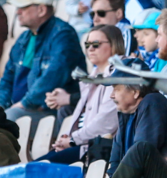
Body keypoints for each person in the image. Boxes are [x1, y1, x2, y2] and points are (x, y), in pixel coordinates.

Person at [0, 0, 85, 136]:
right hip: (19, 108)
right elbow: (7, 78)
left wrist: (23, 104)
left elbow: (53, 77)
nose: (17, 12)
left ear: (42, 10)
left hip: (47, 112)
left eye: (23, 7)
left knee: (9, 118)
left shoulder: (63, 35)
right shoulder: (24, 38)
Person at [37, 25, 125, 164]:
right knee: (32, 168)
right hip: (84, 145)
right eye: (87, 44)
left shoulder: (119, 74)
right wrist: (67, 139)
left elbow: (106, 124)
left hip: (102, 150)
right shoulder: (91, 78)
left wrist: (72, 140)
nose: (90, 48)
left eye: (96, 44)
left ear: (114, 45)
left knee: (36, 169)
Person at [107, 58, 167, 177]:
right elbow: (115, 162)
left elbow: (141, 155)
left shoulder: (153, 102)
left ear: (135, 92)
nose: (111, 95)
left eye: (116, 89)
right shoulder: (126, 114)